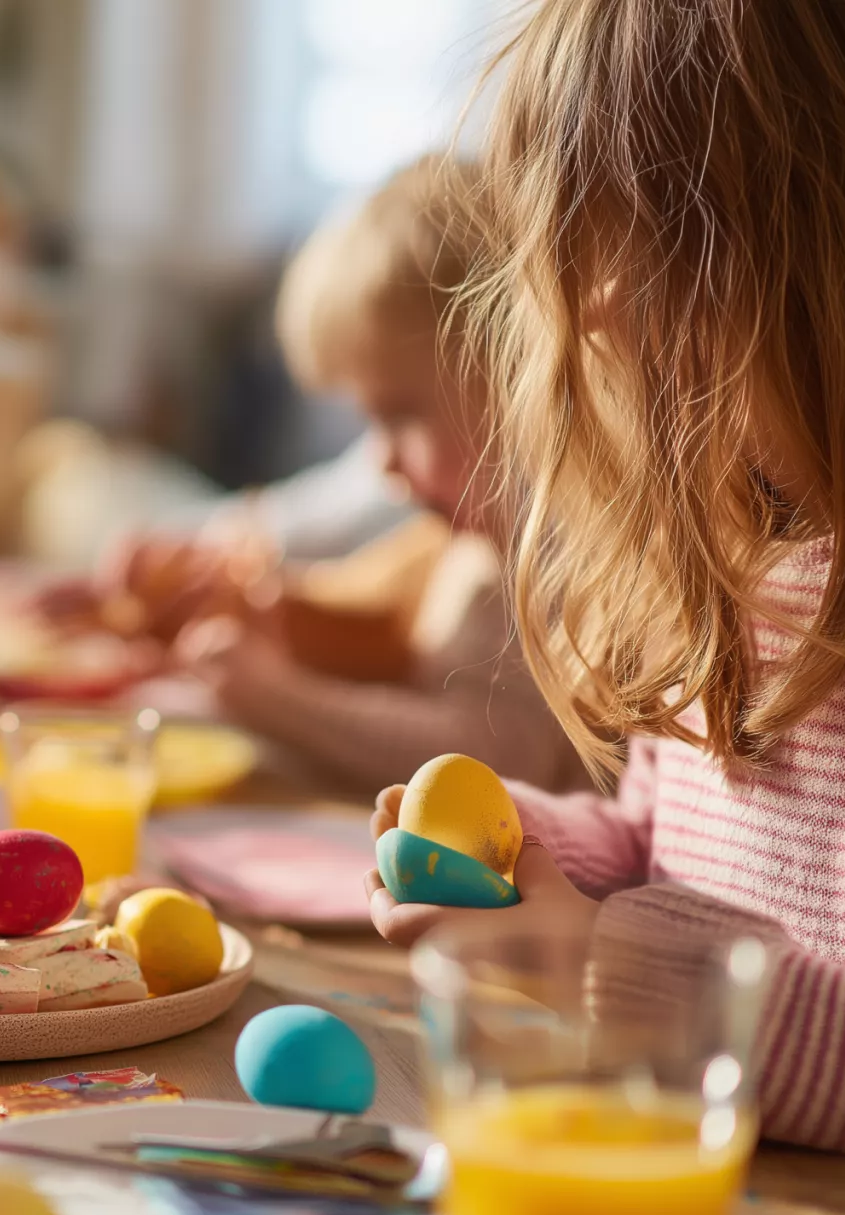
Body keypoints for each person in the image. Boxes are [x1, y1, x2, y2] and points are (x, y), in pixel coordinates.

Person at [368, 0, 845, 1215]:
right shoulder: (751, 537)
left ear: (827, 246)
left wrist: (613, 960)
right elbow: (668, 843)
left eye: (640, 242)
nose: (591, 310)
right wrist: (524, 859)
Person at [164, 155, 583, 791]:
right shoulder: (475, 548)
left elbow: (502, 760)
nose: (382, 461)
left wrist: (280, 698)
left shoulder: (554, 555)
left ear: (513, 367)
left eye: (399, 415)